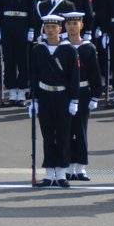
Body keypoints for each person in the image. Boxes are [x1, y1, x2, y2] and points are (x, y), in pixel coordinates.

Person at [29, 14, 79, 187]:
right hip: (44, 96)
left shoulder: (69, 50)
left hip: (63, 96)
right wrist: (33, 100)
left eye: (53, 27)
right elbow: (33, 75)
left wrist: (74, 100)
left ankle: (62, 173)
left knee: (64, 135)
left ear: (60, 29)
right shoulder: (38, 49)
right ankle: (50, 173)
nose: (50, 31)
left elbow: (74, 77)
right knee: (48, 134)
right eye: (47, 27)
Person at [63, 11, 100, 182]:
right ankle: (69, 166)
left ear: (81, 25)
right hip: (65, 93)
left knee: (81, 129)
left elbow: (95, 73)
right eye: (69, 24)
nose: (72, 27)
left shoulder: (88, 47)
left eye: (75, 23)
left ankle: (81, 167)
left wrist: (95, 96)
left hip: (83, 92)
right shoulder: (62, 46)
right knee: (66, 131)